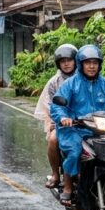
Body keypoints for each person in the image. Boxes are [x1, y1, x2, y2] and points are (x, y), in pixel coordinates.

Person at [50, 45, 105, 206]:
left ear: (99, 65)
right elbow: (57, 105)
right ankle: (68, 186)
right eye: (87, 62)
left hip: (102, 129)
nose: (91, 66)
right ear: (81, 64)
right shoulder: (71, 84)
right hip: (76, 129)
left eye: (95, 63)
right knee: (74, 152)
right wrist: (63, 118)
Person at [35, 44, 78, 189]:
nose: (66, 64)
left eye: (69, 60)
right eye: (62, 61)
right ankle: (55, 174)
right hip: (63, 122)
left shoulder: (85, 77)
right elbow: (49, 105)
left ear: (76, 61)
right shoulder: (54, 82)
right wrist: (55, 121)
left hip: (86, 122)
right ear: (58, 64)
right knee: (54, 140)